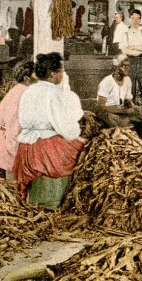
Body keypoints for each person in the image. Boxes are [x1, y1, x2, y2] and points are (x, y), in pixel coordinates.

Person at [13, 52, 86, 201]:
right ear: (53, 74)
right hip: (43, 149)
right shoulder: (52, 93)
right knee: (81, 148)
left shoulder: (29, 90)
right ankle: (60, 199)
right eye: (61, 71)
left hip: (25, 146)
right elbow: (65, 126)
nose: (62, 74)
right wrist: (78, 135)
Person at [94, 55, 142, 130]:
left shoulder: (127, 80)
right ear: (116, 67)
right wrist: (124, 111)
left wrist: (135, 108)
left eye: (128, 66)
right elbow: (101, 107)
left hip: (123, 111)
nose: (127, 68)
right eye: (124, 66)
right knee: (119, 122)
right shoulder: (107, 82)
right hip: (110, 113)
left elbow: (127, 100)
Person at [0, 61, 36, 177]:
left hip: (5, 144)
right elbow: (15, 129)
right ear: (27, 78)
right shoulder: (23, 94)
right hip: (12, 148)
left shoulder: (16, 90)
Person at [119, 9, 142, 103]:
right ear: (129, 19)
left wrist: (134, 47)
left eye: (138, 18)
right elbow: (124, 49)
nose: (135, 21)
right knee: (130, 88)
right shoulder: (125, 34)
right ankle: (131, 109)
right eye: (133, 18)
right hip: (129, 62)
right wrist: (140, 48)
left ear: (140, 20)